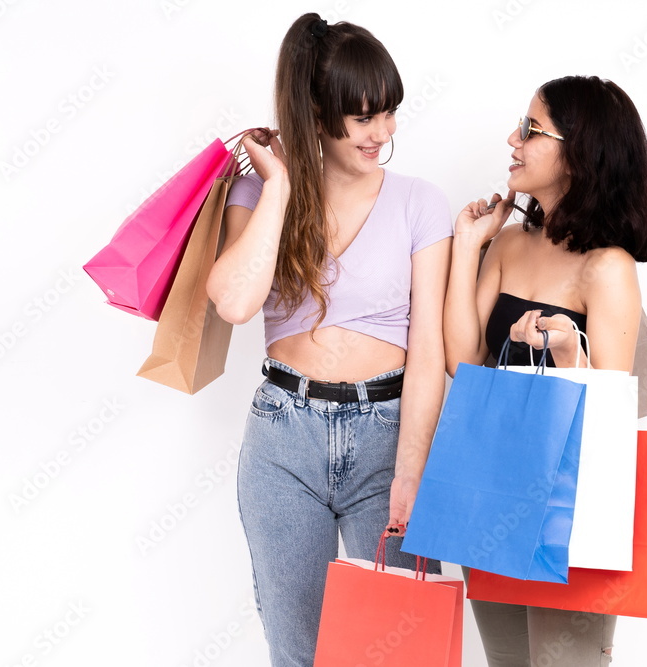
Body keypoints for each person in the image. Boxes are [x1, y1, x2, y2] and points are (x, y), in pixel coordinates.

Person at [206, 13, 452, 667]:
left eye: (389, 112)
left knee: (401, 652)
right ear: (316, 112)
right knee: (299, 654)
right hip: (283, 438)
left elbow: (429, 351)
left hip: (388, 433)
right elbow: (233, 300)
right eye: (364, 117)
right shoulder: (259, 192)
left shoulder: (420, 203)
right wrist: (282, 185)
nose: (384, 132)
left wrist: (410, 469)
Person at [444, 75, 647, 665]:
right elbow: (462, 363)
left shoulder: (609, 267)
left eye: (531, 129)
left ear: (580, 153)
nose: (512, 139)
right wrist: (468, 246)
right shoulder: (511, 245)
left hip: (571, 511)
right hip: (495, 490)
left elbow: (609, 420)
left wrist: (569, 354)